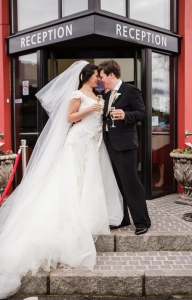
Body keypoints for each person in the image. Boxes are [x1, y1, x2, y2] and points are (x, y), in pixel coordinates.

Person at [0, 61, 123, 299]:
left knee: (89, 181)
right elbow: (69, 118)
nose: (99, 79)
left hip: (92, 144)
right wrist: (89, 110)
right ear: (86, 76)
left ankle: (87, 213)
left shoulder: (97, 93)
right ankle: (73, 215)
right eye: (96, 75)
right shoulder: (77, 94)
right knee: (73, 180)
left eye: (100, 75)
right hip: (77, 143)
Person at [98, 59, 151, 235]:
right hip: (110, 144)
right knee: (118, 183)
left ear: (111, 74)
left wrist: (126, 115)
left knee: (130, 183)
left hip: (125, 145)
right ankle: (123, 218)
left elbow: (142, 113)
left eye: (102, 76)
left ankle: (142, 222)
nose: (100, 80)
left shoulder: (130, 90)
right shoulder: (106, 94)